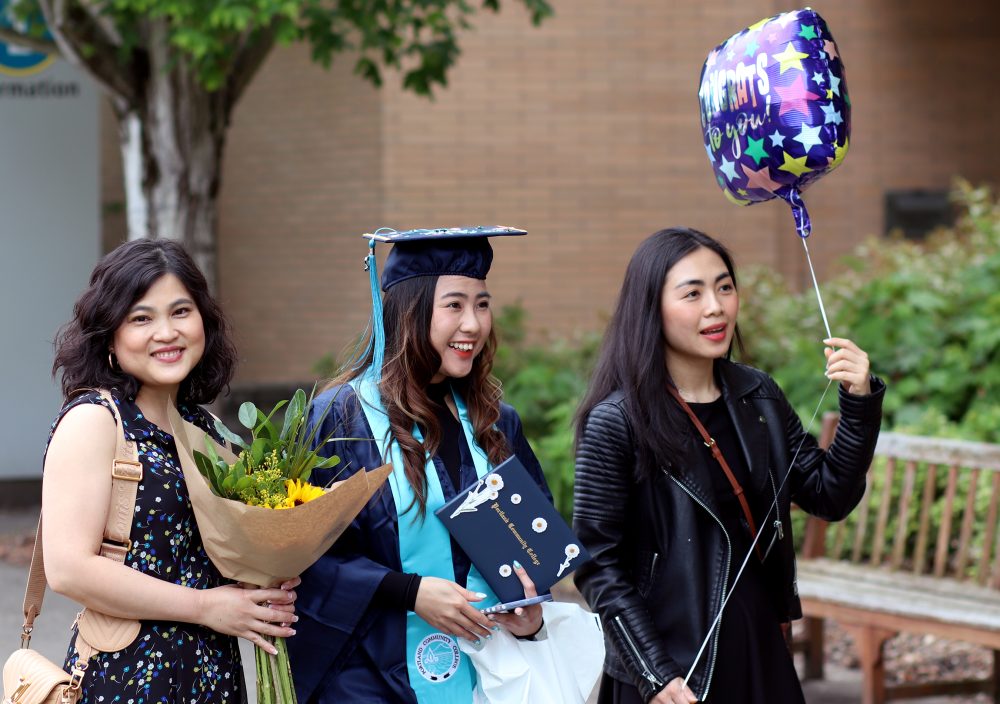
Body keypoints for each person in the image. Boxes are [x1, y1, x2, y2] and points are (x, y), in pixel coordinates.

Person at [573, 228, 885, 704]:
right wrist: (655, 674)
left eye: (724, 287)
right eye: (692, 294)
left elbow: (829, 495)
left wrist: (859, 404)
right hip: (671, 664)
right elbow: (598, 566)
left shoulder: (756, 395)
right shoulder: (617, 422)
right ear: (650, 309)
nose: (715, 307)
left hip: (758, 642)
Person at [289, 227, 552, 703]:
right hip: (369, 677)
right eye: (454, 305)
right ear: (409, 310)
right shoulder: (342, 418)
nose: (472, 324)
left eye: (482, 304)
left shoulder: (496, 425)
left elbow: (534, 547)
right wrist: (410, 592)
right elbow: (304, 556)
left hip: (489, 676)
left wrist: (531, 612)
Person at [43, 239, 299, 704]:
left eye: (181, 312)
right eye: (142, 318)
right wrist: (206, 607)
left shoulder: (208, 427)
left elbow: (213, 553)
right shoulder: (96, 421)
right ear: (111, 337)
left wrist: (264, 580)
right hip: (130, 677)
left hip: (213, 674)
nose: (167, 332)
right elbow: (68, 569)